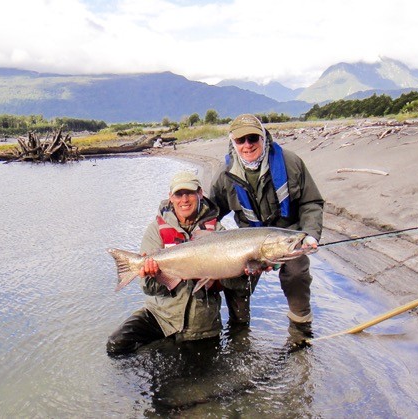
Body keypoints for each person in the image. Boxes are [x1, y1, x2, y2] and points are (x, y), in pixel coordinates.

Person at [210, 114, 325, 344]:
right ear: (233, 142)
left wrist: (311, 235)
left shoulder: (291, 163)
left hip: (287, 237)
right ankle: (239, 330)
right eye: (241, 140)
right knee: (233, 277)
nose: (247, 145)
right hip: (248, 244)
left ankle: (301, 330)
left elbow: (311, 203)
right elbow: (211, 215)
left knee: (297, 274)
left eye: (253, 138)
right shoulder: (224, 176)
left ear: (263, 137)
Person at [106, 171, 227, 354]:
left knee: (190, 370)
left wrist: (248, 270)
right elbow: (147, 288)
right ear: (171, 197)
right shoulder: (156, 230)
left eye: (189, 193)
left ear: (200, 194)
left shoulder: (218, 231)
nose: (184, 200)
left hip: (202, 325)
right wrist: (154, 276)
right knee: (116, 344)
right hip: (160, 316)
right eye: (179, 194)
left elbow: (232, 283)